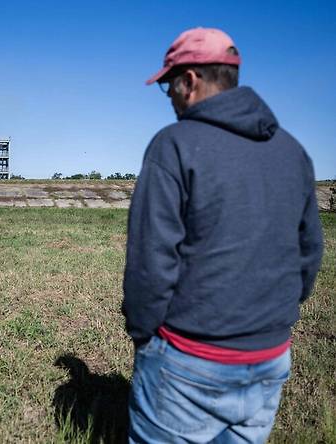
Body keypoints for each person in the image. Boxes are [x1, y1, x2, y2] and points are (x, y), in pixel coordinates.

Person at [122, 27, 324, 443]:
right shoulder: (294, 151)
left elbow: (151, 259)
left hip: (189, 360)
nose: (171, 99)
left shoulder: (172, 145)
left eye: (168, 87)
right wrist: (270, 321)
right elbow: (309, 252)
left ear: (190, 81)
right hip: (270, 358)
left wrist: (146, 336)